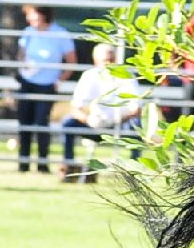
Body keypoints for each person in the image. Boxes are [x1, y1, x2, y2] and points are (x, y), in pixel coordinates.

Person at [58, 45, 145, 180]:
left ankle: (134, 173)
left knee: (137, 125)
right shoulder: (89, 76)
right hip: (94, 125)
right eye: (105, 60)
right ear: (96, 61)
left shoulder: (127, 76)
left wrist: (121, 118)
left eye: (112, 59)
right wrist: (87, 120)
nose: (109, 63)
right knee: (67, 123)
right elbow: (76, 108)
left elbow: (136, 109)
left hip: (121, 125)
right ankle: (69, 168)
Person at [11, 3, 76, 173]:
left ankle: (42, 164)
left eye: (34, 15)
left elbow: (71, 62)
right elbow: (21, 54)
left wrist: (59, 81)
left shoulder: (60, 34)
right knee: (24, 123)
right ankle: (23, 164)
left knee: (42, 123)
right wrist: (24, 66)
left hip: (47, 85)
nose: (30, 19)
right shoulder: (28, 32)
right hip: (27, 82)